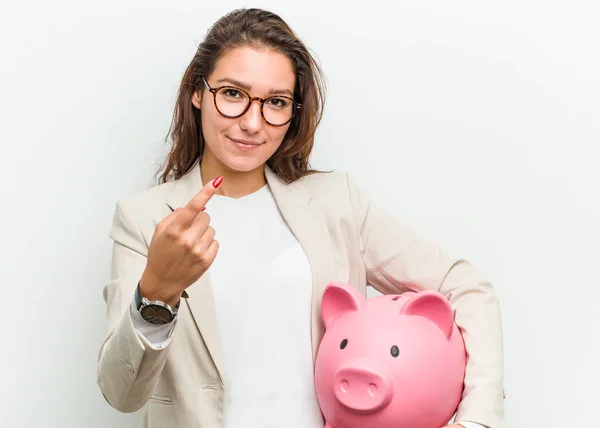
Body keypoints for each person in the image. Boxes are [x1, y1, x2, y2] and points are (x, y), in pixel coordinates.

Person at [96, 8, 504, 428]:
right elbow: (121, 393)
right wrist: (156, 293)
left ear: (293, 111)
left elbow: (466, 286)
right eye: (233, 94)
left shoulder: (336, 202)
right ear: (197, 93)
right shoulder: (144, 219)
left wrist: (477, 420)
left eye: (275, 102)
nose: (252, 123)